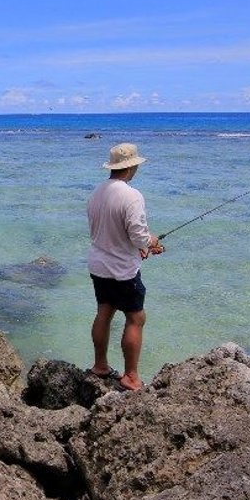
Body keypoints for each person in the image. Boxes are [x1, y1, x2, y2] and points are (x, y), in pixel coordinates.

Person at [86, 143, 164, 391]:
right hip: (122, 270)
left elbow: (103, 231)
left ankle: (100, 365)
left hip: (98, 266)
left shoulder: (96, 193)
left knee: (104, 312)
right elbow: (139, 235)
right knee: (135, 318)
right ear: (131, 167)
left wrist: (140, 245)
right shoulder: (132, 196)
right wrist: (151, 243)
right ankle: (131, 376)